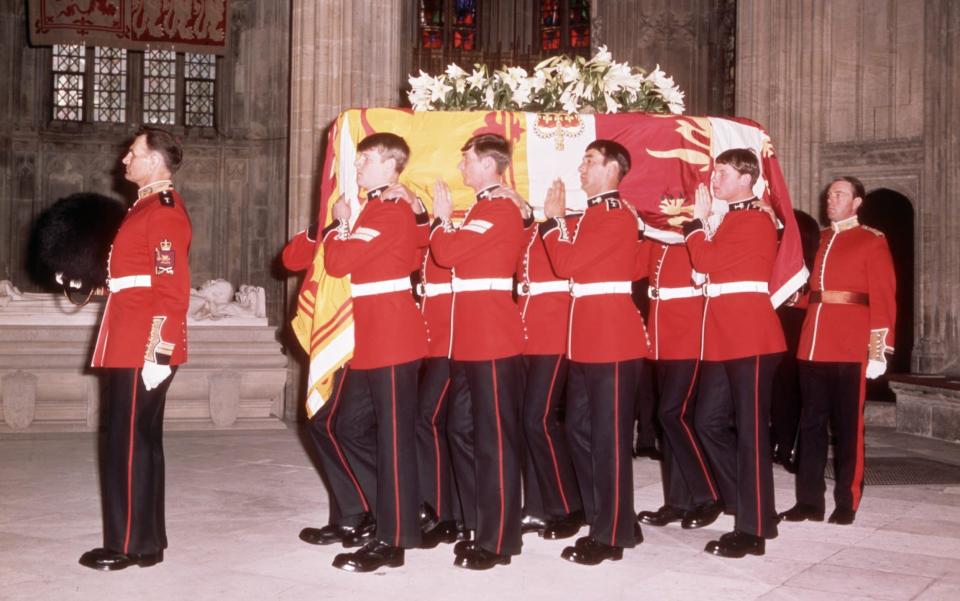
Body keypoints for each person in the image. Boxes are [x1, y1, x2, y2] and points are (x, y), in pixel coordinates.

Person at [79, 126, 191, 571]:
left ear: (156, 161)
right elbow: (134, 279)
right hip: (127, 336)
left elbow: (171, 289)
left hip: (141, 344)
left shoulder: (163, 211)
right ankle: (145, 542)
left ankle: (126, 544)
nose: (124, 160)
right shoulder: (144, 207)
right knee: (139, 443)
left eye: (133, 153)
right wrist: (90, 284)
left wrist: (157, 352)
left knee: (127, 444)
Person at [320, 132, 429, 572]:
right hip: (371, 335)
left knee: (395, 438)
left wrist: (341, 224)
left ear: (391, 165)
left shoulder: (390, 209)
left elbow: (339, 262)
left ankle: (394, 538)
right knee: (343, 424)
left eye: (367, 159)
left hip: (392, 335)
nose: (359, 165)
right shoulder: (381, 207)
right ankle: (400, 507)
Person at [539, 140, 649, 565]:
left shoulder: (613, 214)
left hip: (612, 338)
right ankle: (612, 518)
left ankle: (612, 535)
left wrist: (551, 225)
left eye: (590, 161)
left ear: (613, 170)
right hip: (586, 336)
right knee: (580, 431)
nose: (581, 168)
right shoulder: (594, 215)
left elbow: (567, 265)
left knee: (609, 439)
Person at [430, 133, 529, 570]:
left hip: (491, 340)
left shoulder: (500, 208)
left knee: (495, 442)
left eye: (467, 159)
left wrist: (440, 219)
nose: (461, 166)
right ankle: (477, 523)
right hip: (469, 339)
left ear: (490, 165)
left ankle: (500, 540)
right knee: (461, 430)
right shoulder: (486, 209)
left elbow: (447, 251)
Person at [683, 148, 786, 558]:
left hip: (751, 338)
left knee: (751, 434)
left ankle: (754, 528)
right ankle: (748, 503)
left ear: (747, 178)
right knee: (706, 421)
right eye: (715, 172)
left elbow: (706, 259)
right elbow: (708, 266)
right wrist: (707, 223)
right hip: (724, 336)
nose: (714, 179)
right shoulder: (731, 218)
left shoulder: (756, 219)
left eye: (723, 173)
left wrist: (696, 224)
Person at [778, 176, 896, 526]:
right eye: (829, 195)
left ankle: (847, 500)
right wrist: (788, 298)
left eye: (840, 195)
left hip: (849, 346)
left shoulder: (872, 241)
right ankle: (809, 502)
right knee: (811, 427)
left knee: (848, 429)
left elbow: (884, 298)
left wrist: (879, 349)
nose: (831, 200)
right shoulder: (821, 240)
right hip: (813, 346)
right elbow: (815, 295)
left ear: (857, 202)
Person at [284, 226, 378, 553]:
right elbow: (291, 259)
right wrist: (321, 228)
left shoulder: (374, 215)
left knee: (338, 425)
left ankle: (374, 512)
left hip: (362, 334)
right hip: (335, 337)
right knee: (323, 423)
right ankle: (350, 514)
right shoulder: (334, 221)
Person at [636, 239, 724, 531]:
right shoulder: (655, 237)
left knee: (673, 414)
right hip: (663, 333)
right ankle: (678, 501)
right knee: (669, 419)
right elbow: (633, 267)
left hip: (688, 331)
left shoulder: (693, 231)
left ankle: (708, 495)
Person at [516, 209, 584, 540]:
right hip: (524, 329)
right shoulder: (529, 224)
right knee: (527, 422)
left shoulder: (570, 221)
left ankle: (567, 506)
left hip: (554, 328)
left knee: (538, 419)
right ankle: (536, 507)